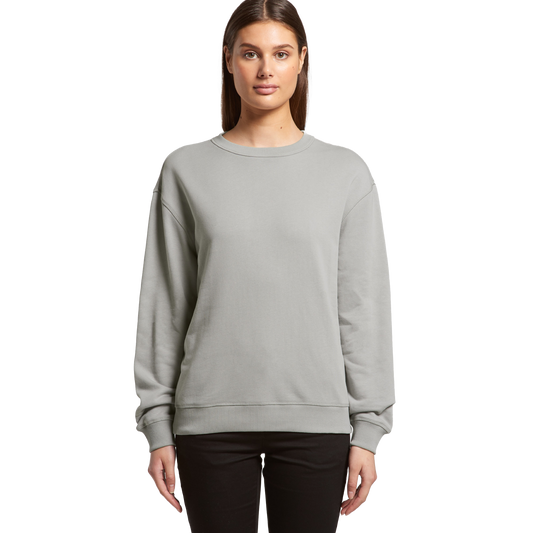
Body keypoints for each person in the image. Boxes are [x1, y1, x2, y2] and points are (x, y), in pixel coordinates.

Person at [131, 0, 396, 531]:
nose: (266, 69)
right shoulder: (185, 167)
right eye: (250, 54)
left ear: (302, 61)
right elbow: (165, 303)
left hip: (317, 421)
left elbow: (363, 309)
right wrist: (157, 424)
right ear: (229, 61)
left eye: (281, 53)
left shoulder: (346, 171)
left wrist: (368, 429)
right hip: (207, 422)